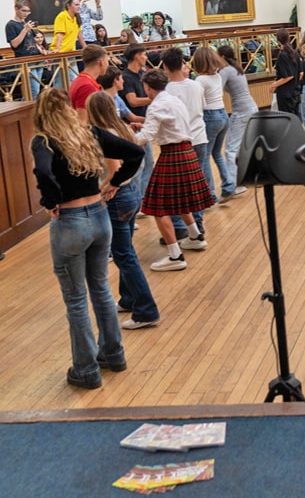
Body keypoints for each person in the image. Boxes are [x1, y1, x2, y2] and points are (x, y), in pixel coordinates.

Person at [31, 87, 143, 388]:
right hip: (99, 216)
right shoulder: (88, 133)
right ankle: (114, 355)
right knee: (102, 290)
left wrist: (50, 201)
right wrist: (115, 182)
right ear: (67, 108)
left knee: (76, 300)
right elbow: (136, 152)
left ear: (41, 113)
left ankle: (86, 370)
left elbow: (43, 172)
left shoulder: (43, 141)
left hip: (70, 223)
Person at [85, 92, 159, 330]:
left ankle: (146, 310)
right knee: (125, 249)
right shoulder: (123, 128)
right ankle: (128, 298)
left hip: (118, 197)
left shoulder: (106, 135)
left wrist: (102, 189)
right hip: (132, 195)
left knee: (122, 253)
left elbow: (114, 168)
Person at [134, 68, 213, 272]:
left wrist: (124, 139)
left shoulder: (155, 105)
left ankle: (175, 255)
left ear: (147, 87)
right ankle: (195, 236)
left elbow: (147, 136)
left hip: (171, 153)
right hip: (187, 150)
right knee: (181, 199)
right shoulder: (174, 100)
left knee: (158, 206)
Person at [215, 44, 255, 202]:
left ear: (222, 57)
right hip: (251, 107)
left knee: (231, 148)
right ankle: (247, 177)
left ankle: (235, 184)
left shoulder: (225, 71)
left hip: (242, 111)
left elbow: (216, 89)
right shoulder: (237, 69)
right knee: (242, 145)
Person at [191, 46, 228, 205]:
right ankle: (228, 184)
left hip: (210, 116)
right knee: (218, 153)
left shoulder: (200, 80)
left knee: (205, 156)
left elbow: (199, 102)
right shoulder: (217, 76)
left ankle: (210, 193)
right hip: (223, 114)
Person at [119, 45, 154, 196]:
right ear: (137, 56)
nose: (146, 57)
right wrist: (153, 98)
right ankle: (138, 199)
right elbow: (132, 101)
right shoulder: (126, 77)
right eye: (144, 54)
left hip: (142, 124)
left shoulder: (141, 74)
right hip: (132, 127)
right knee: (140, 165)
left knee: (148, 163)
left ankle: (144, 198)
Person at [6, 0, 44, 99]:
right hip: (25, 61)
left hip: (36, 59)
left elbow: (31, 40)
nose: (26, 14)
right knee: (33, 91)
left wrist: (41, 50)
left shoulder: (25, 23)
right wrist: (25, 30)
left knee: (36, 90)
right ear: (16, 9)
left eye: (28, 11)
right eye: (23, 11)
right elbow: (14, 44)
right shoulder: (11, 25)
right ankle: (26, 112)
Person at [68, 43, 108, 120]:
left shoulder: (83, 80)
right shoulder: (87, 86)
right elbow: (84, 121)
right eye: (107, 61)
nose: (107, 64)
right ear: (101, 62)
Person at [270, 28, 299, 115]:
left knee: (287, 118)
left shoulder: (283, 55)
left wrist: (274, 85)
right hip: (295, 91)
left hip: (286, 94)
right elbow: (300, 73)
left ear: (278, 40)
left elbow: (288, 76)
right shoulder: (295, 53)